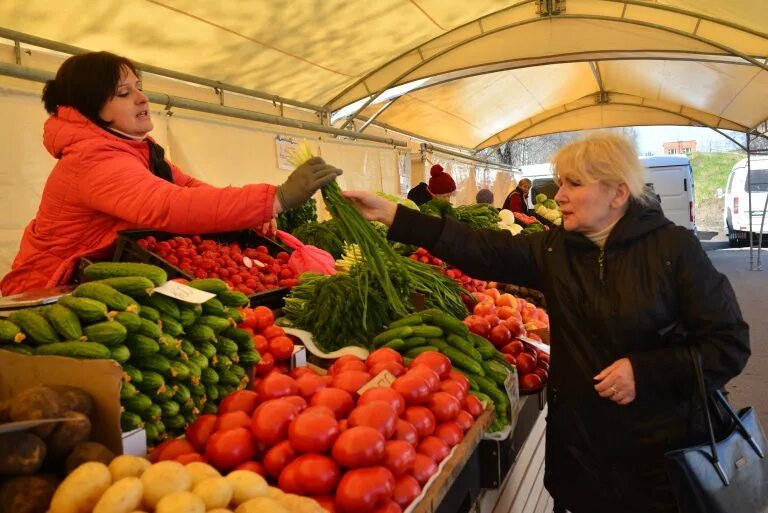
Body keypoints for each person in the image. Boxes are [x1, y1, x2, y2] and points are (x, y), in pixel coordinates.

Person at [343, 132, 750, 513]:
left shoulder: (672, 250)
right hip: (581, 459)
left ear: (618, 193)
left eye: (574, 184)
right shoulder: (557, 250)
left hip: (661, 461)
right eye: (561, 183)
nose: (561, 195)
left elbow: (728, 343)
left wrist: (645, 372)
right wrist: (395, 216)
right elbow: (481, 248)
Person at [1, 51, 341, 295]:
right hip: (45, 293)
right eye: (124, 93)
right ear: (92, 110)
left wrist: (248, 214)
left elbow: (187, 186)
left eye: (138, 86)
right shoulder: (93, 160)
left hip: (88, 283)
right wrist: (275, 198)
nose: (142, 97)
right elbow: (167, 205)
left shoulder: (135, 149)